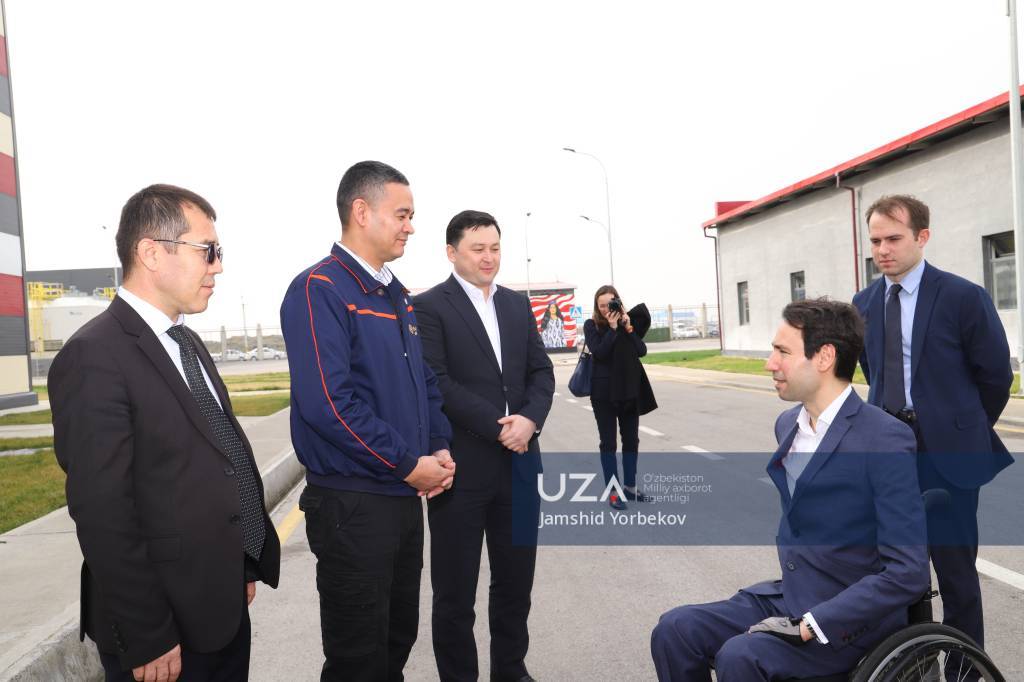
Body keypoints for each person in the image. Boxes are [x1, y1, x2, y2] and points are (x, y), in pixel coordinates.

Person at [48, 184, 281, 682]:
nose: (218, 266)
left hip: (218, 605)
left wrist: (240, 565)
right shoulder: (94, 355)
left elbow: (218, 457)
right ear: (152, 253)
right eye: (207, 251)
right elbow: (103, 512)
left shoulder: (186, 341)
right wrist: (147, 634)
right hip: (161, 631)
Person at [650, 299, 929, 681]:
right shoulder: (787, 425)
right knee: (675, 630)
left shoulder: (883, 439)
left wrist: (815, 623)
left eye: (783, 351)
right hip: (792, 596)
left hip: (851, 623)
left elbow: (908, 572)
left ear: (824, 357)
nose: (770, 363)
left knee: (741, 656)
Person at [280, 161, 454, 681]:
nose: (411, 226)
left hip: (401, 496)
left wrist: (438, 445)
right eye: (402, 214)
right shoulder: (320, 289)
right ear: (361, 211)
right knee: (358, 659)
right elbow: (329, 404)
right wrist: (407, 464)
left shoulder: (396, 294)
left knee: (395, 643)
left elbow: (424, 382)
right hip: (353, 504)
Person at [852, 194, 1013, 651]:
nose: (883, 250)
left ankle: (964, 672)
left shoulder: (963, 297)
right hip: (888, 450)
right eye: (876, 241)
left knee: (956, 575)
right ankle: (912, 667)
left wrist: (962, 428)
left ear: (922, 237)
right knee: (896, 573)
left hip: (948, 454)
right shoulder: (863, 303)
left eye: (893, 239)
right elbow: (872, 371)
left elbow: (995, 376)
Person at [414, 209, 554, 682]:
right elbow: (438, 382)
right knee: (455, 594)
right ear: (452, 252)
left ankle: (511, 671)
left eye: (494, 247)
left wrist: (529, 420)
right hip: (461, 470)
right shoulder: (429, 307)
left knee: (515, 586)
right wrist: (501, 427)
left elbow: (541, 371)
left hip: (520, 465)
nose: (488, 257)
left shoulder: (516, 305)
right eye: (478, 249)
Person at [582, 285, 657, 510]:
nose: (606, 309)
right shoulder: (591, 325)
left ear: (618, 303)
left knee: (631, 440)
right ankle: (614, 491)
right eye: (601, 305)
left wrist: (627, 327)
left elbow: (641, 351)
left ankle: (631, 487)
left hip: (629, 391)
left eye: (610, 304)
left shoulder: (627, 324)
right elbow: (600, 352)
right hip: (603, 394)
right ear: (597, 307)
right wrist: (613, 329)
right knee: (608, 443)